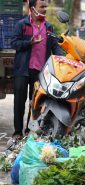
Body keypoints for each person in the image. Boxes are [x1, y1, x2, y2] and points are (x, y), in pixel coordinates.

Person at [11, 0, 63, 139]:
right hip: (22, 70)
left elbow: (55, 46)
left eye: (46, 6)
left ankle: (29, 130)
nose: (45, 9)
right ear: (32, 8)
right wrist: (30, 42)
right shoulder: (22, 25)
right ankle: (17, 132)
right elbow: (14, 43)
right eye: (42, 6)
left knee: (36, 103)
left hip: (40, 72)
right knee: (19, 102)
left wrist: (62, 58)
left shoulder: (49, 27)